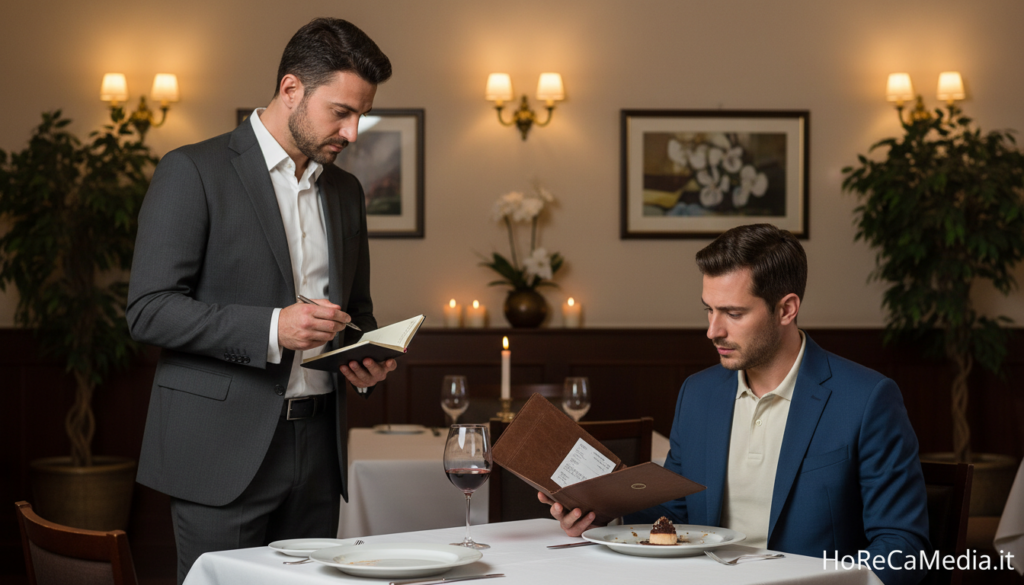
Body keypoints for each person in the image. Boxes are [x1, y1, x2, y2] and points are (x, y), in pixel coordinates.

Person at [125, 18, 396, 584]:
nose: (352, 133)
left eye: (360, 116)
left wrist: (363, 358)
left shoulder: (345, 191)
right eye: (341, 112)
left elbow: (357, 311)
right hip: (220, 452)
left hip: (319, 450)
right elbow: (149, 308)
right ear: (291, 89)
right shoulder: (192, 170)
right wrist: (274, 328)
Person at [541, 223, 929, 585]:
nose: (713, 331)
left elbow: (902, 546)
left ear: (786, 309)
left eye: (733, 313)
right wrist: (605, 515)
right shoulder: (699, 393)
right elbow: (677, 516)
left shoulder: (866, 398)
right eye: (709, 310)